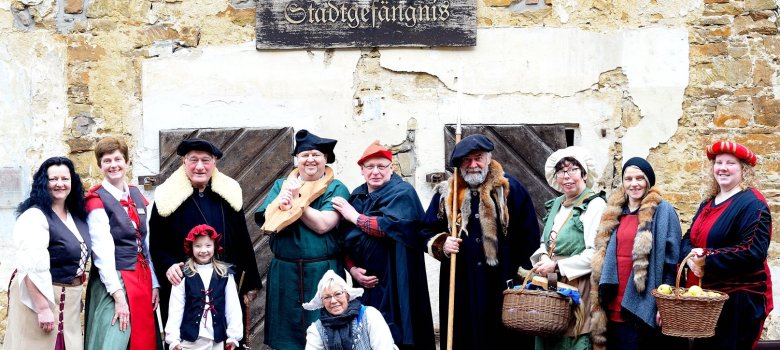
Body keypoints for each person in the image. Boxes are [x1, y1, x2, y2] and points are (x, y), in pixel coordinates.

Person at [420, 134, 541, 350]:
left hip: (503, 283)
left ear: (488, 158)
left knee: (503, 341)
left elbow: (529, 236)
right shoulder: (448, 193)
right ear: (459, 164)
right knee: (464, 337)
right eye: (466, 160)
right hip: (460, 282)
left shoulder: (509, 189)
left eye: (478, 158)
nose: (473, 165)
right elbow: (424, 230)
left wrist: (524, 281)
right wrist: (442, 243)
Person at [331, 140, 435, 349]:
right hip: (368, 285)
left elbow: (387, 227)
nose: (376, 172)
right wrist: (352, 270)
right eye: (370, 167)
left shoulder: (403, 193)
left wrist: (354, 216)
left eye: (381, 166)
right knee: (369, 334)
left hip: (398, 280)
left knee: (399, 334)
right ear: (361, 170)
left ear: (391, 168)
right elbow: (342, 240)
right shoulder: (358, 195)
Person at [255, 129, 351, 350]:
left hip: (322, 271)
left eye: (316, 154)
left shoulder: (336, 188)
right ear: (297, 159)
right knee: (286, 337)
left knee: (327, 332)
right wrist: (282, 204)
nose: (310, 159)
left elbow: (323, 225)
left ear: (325, 158)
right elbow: (268, 221)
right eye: (304, 154)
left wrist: (297, 201)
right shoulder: (281, 185)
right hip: (285, 273)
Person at [149, 138, 261, 326]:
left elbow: (242, 239)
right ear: (183, 162)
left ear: (214, 163)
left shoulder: (228, 193)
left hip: (224, 286)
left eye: (205, 160)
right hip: (183, 289)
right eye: (193, 160)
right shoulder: (166, 196)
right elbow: (157, 243)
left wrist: (250, 282)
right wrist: (168, 266)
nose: (199, 166)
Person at [680, 141, 773, 350]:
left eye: (730, 163)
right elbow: (688, 238)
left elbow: (752, 251)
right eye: (718, 162)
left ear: (743, 170)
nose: (722, 168)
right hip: (709, 300)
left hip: (740, 301)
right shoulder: (708, 203)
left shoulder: (753, 203)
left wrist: (707, 258)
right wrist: (691, 258)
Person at [590, 157, 684, 350]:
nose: (634, 184)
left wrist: (664, 304)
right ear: (623, 183)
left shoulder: (663, 211)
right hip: (614, 301)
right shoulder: (614, 212)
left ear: (648, 182)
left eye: (640, 178)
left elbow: (672, 261)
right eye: (628, 179)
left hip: (644, 302)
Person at [3, 156, 91, 350]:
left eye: (65, 179)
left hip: (69, 302)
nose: (60, 184)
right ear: (44, 182)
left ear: (72, 182)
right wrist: (42, 308)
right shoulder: (35, 216)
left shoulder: (76, 215)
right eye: (53, 179)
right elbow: (30, 266)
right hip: (41, 298)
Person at [84, 136, 160, 349]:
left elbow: (146, 244)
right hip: (114, 280)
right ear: (100, 166)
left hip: (141, 279)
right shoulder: (96, 200)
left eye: (118, 159)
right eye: (106, 160)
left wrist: (154, 283)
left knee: (143, 339)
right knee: (114, 339)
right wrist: (118, 296)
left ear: (127, 163)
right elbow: (102, 253)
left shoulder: (137, 195)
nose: (113, 165)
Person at [530, 145, 606, 350]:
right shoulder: (556, 204)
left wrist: (556, 267)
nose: (567, 176)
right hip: (551, 284)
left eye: (573, 169)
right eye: (562, 171)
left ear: (583, 173)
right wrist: (544, 259)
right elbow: (544, 243)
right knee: (548, 332)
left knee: (571, 338)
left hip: (577, 286)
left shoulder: (594, 205)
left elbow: (595, 253)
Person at [165, 224, 243, 350]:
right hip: (189, 342)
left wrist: (233, 336)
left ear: (215, 246)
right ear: (191, 247)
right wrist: (173, 339)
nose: (203, 250)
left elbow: (232, 307)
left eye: (208, 245)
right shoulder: (183, 274)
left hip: (216, 341)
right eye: (198, 246)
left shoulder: (224, 273)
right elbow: (175, 308)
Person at [303, 270, 397, 350]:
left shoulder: (370, 316)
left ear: (347, 295)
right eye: (327, 297)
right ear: (322, 302)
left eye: (338, 294)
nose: (333, 301)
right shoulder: (317, 330)